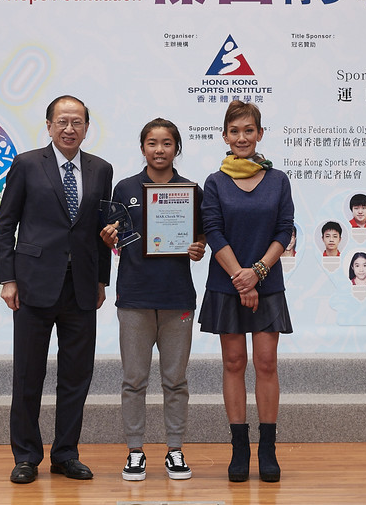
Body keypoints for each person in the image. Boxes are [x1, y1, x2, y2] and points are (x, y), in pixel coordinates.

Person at [0, 95, 113, 484]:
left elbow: (102, 231)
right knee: (28, 375)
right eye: (61, 121)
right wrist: (7, 278)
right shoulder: (27, 164)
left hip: (81, 287)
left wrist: (101, 280)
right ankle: (26, 456)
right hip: (32, 285)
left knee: (77, 376)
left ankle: (65, 454)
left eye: (76, 122)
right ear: (48, 126)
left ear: (86, 127)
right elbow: (5, 224)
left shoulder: (101, 169)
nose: (69, 128)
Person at [99, 118, 206, 482]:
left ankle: (175, 450)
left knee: (175, 380)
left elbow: (201, 238)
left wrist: (197, 248)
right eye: (152, 143)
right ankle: (135, 452)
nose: (159, 150)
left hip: (178, 298)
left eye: (166, 143)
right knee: (134, 379)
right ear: (142, 147)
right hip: (134, 298)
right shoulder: (125, 187)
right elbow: (116, 242)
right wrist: (109, 238)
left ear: (177, 148)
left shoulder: (191, 190)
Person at [199, 101, 294, 484]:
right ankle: (240, 448)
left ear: (260, 134)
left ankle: (267, 448)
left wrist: (257, 273)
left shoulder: (278, 180)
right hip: (226, 282)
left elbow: (284, 230)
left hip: (267, 282)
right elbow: (214, 231)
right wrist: (240, 276)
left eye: (249, 130)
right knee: (234, 363)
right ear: (225, 136)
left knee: (266, 363)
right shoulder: (215, 181)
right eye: (234, 131)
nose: (242, 137)